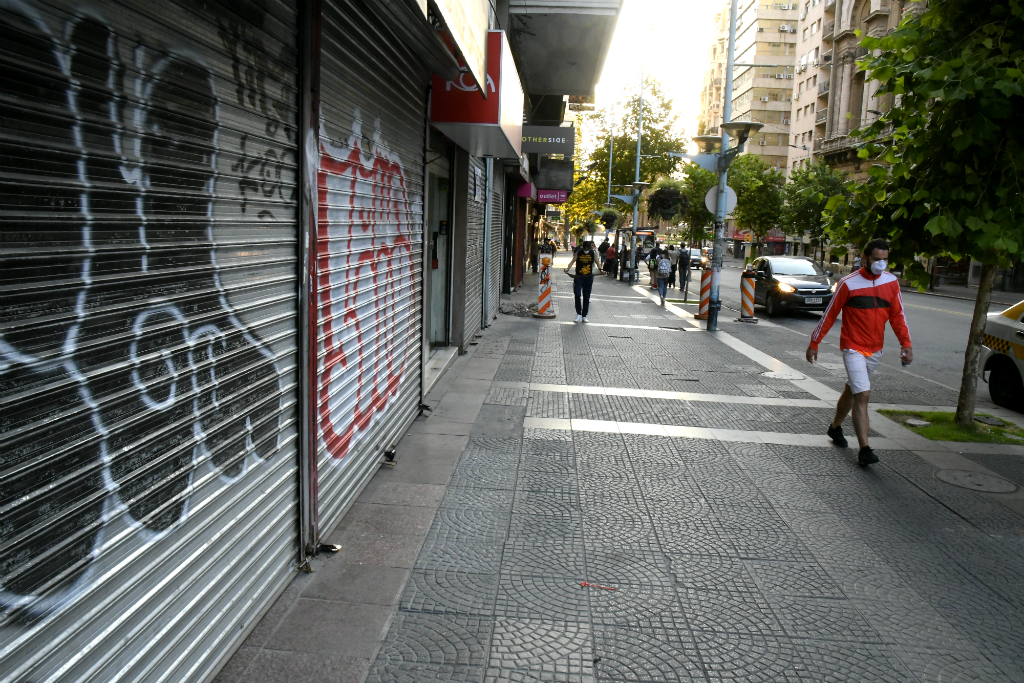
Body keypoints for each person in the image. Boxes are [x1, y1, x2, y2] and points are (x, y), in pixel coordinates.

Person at [807, 238, 913, 466]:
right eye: (877, 260)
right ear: (865, 258)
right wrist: (815, 342)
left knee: (853, 389)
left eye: (885, 260)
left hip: (875, 348)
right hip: (852, 346)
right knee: (863, 394)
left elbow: (898, 317)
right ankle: (865, 449)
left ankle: (835, 428)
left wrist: (906, 344)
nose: (881, 264)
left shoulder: (892, 283)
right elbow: (830, 314)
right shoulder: (848, 283)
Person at [565, 240, 598, 322]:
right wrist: (568, 268)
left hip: (588, 278)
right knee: (577, 294)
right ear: (583, 247)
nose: (586, 251)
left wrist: (601, 270)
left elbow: (598, 262)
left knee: (586, 297)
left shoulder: (593, 253)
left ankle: (584, 315)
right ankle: (578, 313)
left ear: (590, 248)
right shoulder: (579, 252)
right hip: (579, 277)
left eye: (587, 249)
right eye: (585, 249)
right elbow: (573, 261)